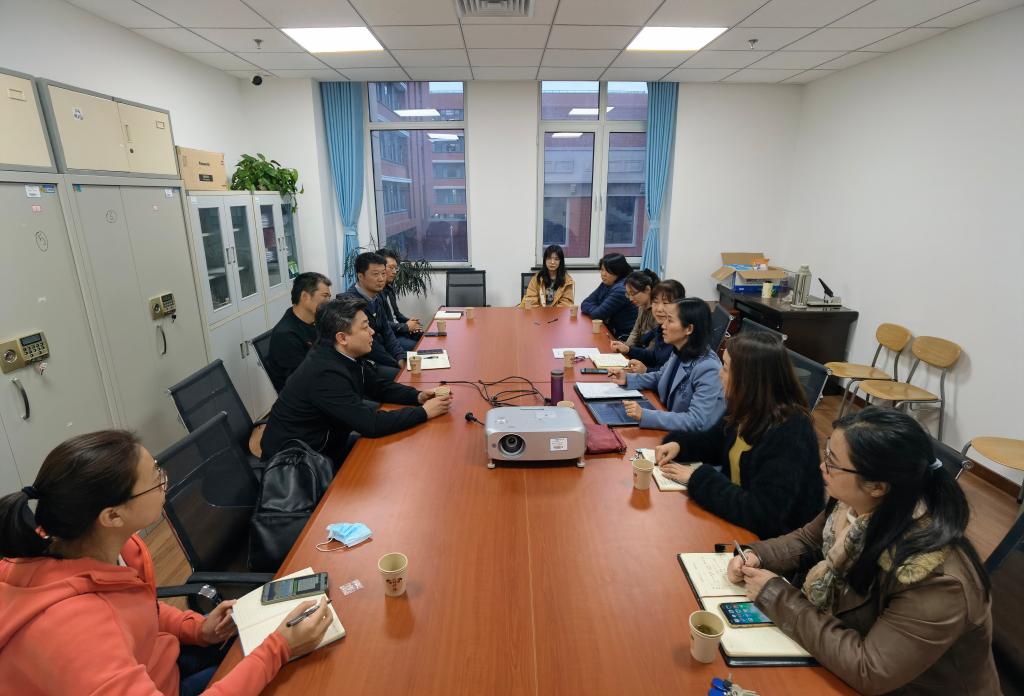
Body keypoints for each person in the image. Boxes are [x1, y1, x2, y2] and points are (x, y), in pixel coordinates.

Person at [0, 430, 331, 695]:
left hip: (161, 664)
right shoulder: (76, 633)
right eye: (155, 478)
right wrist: (278, 649)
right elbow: (107, 631)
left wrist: (197, 628)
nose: (164, 480)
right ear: (112, 516)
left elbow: (141, 608)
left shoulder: (101, 544)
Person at [724, 407, 998, 695]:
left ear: (877, 486)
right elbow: (808, 540)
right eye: (827, 453)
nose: (822, 467)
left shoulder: (935, 579)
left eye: (833, 462)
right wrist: (756, 555)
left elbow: (870, 669)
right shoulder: (858, 504)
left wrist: (776, 595)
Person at [654, 332, 823, 538]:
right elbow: (715, 443)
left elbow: (764, 515)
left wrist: (698, 479)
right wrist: (679, 446)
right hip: (735, 521)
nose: (719, 374)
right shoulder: (746, 406)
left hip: (772, 542)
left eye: (725, 368)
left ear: (748, 378)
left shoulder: (791, 432)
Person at [260, 296, 452, 463]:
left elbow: (378, 387)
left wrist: (417, 396)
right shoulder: (325, 373)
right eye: (365, 327)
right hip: (300, 462)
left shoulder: (343, 355)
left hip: (329, 443)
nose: (372, 332)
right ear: (342, 338)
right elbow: (370, 424)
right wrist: (424, 412)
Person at [607, 297, 724, 432]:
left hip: (693, 439)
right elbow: (660, 376)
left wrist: (646, 415)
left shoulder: (709, 368)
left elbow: (696, 421)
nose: (663, 325)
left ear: (689, 329)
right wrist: (628, 378)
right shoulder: (679, 350)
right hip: (670, 423)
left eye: (670, 320)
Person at [341, 252, 406, 380]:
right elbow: (371, 346)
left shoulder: (376, 296)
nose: (381, 279)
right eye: (375, 274)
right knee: (404, 377)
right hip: (364, 362)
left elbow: (387, 332)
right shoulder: (350, 303)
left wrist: (400, 357)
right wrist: (396, 363)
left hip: (383, 356)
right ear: (360, 276)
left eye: (383, 273)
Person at [265, 272, 332, 392]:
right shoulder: (285, 335)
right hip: (308, 396)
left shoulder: (316, 321)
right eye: (324, 296)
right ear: (305, 296)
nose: (328, 301)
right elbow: (304, 381)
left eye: (329, 297)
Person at [609, 273, 678, 372]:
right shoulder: (643, 308)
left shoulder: (665, 323)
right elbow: (636, 332)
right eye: (655, 302)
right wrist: (627, 349)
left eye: (633, 293)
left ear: (648, 290)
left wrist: (645, 370)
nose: (659, 309)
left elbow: (664, 371)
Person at [580, 253, 637, 340]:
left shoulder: (622, 289)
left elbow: (597, 315)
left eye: (608, 271)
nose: (603, 274)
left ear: (618, 271)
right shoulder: (607, 283)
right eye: (602, 269)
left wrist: (598, 311)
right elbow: (585, 303)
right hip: (612, 330)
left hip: (624, 337)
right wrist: (599, 310)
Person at [378, 248, 423, 352]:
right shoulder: (374, 293)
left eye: (396, 268)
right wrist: (405, 327)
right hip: (389, 336)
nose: (394, 272)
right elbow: (381, 323)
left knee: (425, 337)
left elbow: (397, 315)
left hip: (397, 331)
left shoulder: (389, 288)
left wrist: (409, 321)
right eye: (390, 268)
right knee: (420, 347)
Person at [520, 244, 575, 308]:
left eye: (556, 259)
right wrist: (542, 312)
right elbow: (531, 300)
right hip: (539, 312)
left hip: (557, 313)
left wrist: (551, 312)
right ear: (545, 260)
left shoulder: (567, 280)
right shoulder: (537, 278)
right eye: (549, 258)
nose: (552, 262)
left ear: (561, 262)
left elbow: (566, 303)